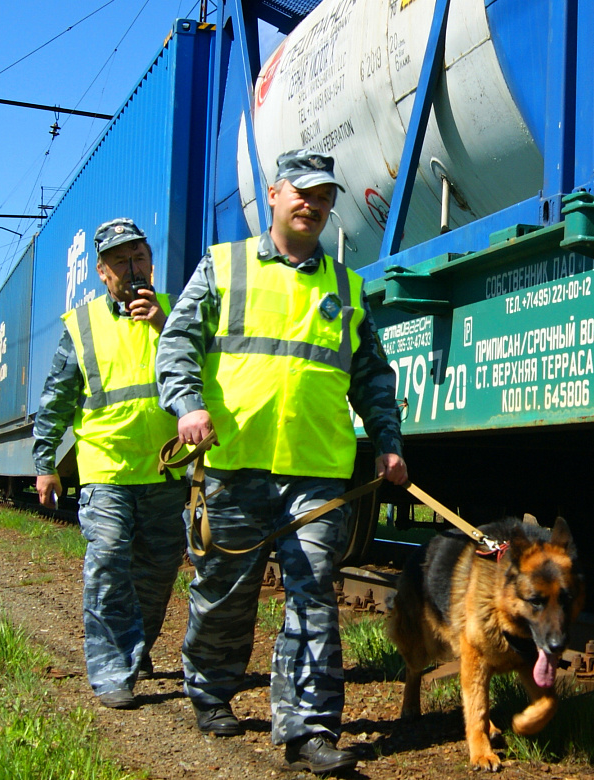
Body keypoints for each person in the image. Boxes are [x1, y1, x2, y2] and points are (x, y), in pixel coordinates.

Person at [156, 149, 407, 775]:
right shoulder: (224, 266)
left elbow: (372, 376)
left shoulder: (347, 287)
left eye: (324, 197)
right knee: (224, 592)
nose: (313, 205)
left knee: (313, 594)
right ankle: (211, 691)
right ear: (274, 194)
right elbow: (176, 342)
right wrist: (186, 405)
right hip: (234, 463)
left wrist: (390, 441)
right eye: (302, 192)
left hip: (316, 471)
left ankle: (308, 729)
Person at [33, 217, 186, 710]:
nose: (133, 267)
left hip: (166, 471)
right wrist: (44, 462)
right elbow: (56, 400)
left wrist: (166, 325)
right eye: (121, 260)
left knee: (158, 572)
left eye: (140, 256)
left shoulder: (180, 315)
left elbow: (214, 374)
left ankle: (133, 648)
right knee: (108, 567)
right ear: (102, 271)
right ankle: (110, 671)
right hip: (107, 473)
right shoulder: (82, 326)